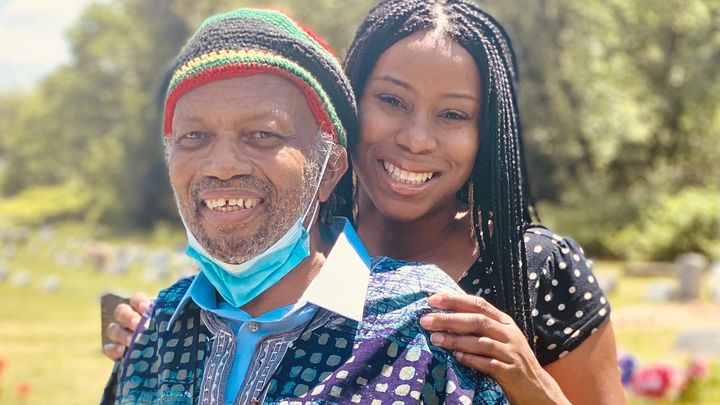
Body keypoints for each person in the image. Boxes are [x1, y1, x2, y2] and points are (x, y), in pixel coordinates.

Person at [106, 1, 625, 403]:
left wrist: (532, 385)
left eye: (453, 115)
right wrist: (156, 330)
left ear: (485, 133)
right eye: (391, 101)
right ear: (347, 114)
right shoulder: (289, 243)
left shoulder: (532, 270)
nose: (416, 139)